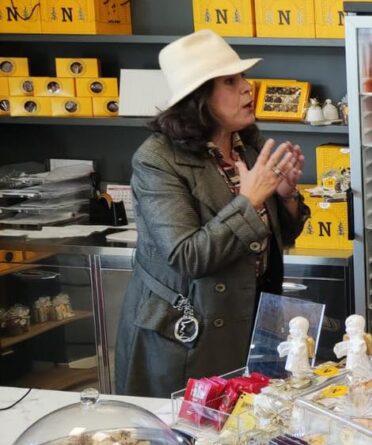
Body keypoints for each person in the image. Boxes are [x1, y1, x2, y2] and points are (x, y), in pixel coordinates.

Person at [115, 30, 310, 397]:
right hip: (189, 336)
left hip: (253, 320)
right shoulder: (156, 159)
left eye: (244, 78)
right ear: (198, 98)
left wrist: (285, 198)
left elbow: (270, 239)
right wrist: (250, 201)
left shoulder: (248, 143)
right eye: (230, 81)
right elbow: (186, 256)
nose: (247, 88)